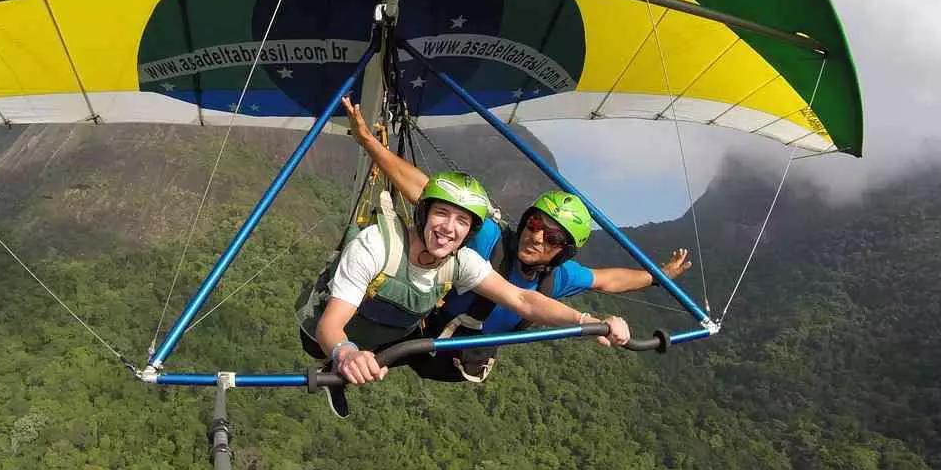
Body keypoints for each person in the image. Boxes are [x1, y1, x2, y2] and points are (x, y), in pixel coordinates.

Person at [342, 97, 691, 383]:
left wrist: (659, 276)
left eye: (552, 236)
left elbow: (609, 280)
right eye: (535, 223)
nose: (536, 236)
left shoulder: (561, 276)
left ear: (564, 250)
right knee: (359, 359)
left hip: (459, 365)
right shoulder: (491, 241)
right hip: (418, 338)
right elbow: (429, 192)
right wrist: (370, 143)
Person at [296, 168, 631, 388]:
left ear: (471, 231)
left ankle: (353, 366)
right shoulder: (375, 245)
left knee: (405, 345)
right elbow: (330, 326)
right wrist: (346, 354)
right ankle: (342, 366)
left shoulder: (462, 261)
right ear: (424, 213)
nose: (448, 228)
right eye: (441, 213)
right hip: (327, 335)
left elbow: (523, 299)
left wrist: (589, 320)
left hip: (391, 338)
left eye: (462, 221)